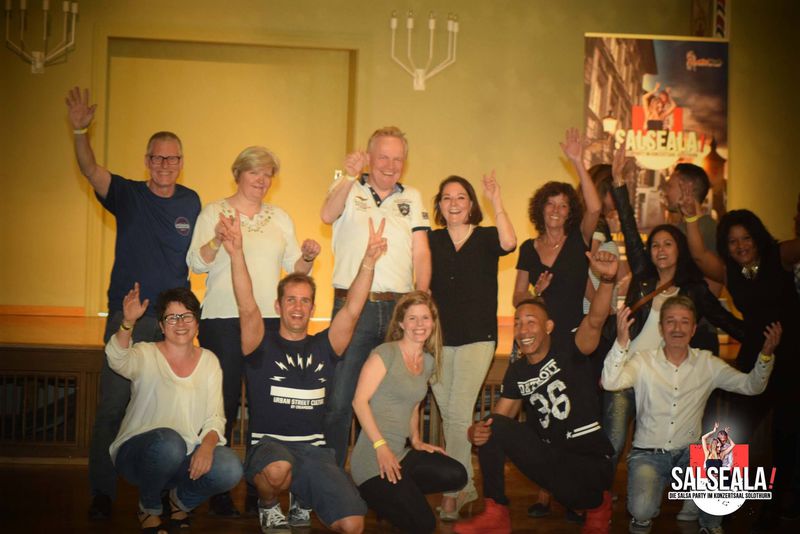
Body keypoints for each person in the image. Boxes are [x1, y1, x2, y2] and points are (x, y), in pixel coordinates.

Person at [66, 87, 202, 519]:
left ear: (181, 162)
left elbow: (204, 253)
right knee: (112, 406)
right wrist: (80, 130)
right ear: (147, 160)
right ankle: (102, 493)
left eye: (172, 158)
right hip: (128, 317)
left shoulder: (192, 202)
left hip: (173, 323)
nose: (165, 165)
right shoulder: (127, 194)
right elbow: (90, 169)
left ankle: (160, 493)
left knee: (169, 412)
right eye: (157, 158)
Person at [223, 212, 386, 533]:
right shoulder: (259, 342)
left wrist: (368, 261)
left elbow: (353, 309)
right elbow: (246, 304)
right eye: (291, 300)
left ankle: (303, 495)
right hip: (269, 447)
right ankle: (268, 505)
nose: (298, 307)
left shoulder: (326, 345)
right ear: (278, 306)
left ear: (312, 308)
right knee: (278, 469)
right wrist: (236, 253)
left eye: (305, 302)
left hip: (313, 450)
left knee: (353, 525)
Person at [603, 148, 745, 499]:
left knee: (684, 439)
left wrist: (765, 338)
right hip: (629, 371)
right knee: (614, 441)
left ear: (679, 249)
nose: (660, 250)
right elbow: (630, 231)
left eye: (668, 244)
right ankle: (599, 500)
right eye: (655, 245)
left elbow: (724, 319)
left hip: (663, 381)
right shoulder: (643, 275)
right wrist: (619, 183)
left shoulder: (692, 289)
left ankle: (694, 498)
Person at [186, 145, 320, 516]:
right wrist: (217, 239)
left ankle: (256, 484)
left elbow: (295, 269)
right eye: (254, 173)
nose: (261, 180)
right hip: (223, 320)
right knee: (224, 402)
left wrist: (308, 257)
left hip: (267, 322)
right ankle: (218, 488)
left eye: (267, 174)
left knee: (264, 405)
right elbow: (195, 263)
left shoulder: (280, 217)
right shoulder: (214, 212)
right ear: (238, 174)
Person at [455, 250, 621, 534]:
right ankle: (496, 514)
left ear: (549, 327)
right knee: (492, 427)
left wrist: (606, 280)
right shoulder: (518, 371)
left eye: (531, 322)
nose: (523, 329)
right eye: (518, 323)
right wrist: (476, 432)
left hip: (589, 461)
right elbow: (497, 421)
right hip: (554, 462)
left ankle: (598, 507)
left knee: (583, 490)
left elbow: (595, 319)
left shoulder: (570, 348)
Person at [602, 295, 779, 534]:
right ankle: (650, 516)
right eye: (670, 321)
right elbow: (610, 382)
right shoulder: (643, 361)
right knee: (641, 510)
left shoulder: (707, 363)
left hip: (689, 453)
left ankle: (710, 524)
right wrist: (622, 342)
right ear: (661, 328)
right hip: (649, 454)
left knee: (725, 455)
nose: (677, 328)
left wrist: (765, 356)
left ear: (694, 329)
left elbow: (751, 386)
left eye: (684, 322)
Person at [681, 199, 800, 528]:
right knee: (729, 427)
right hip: (755, 356)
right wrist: (691, 217)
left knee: (786, 435)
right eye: (732, 241)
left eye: (746, 238)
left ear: (758, 237)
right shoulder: (729, 270)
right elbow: (698, 255)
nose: (740, 245)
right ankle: (716, 501)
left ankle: (775, 507)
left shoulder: (779, 255)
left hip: (792, 358)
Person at [321, 126, 431, 467]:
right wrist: (348, 176)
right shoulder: (347, 186)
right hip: (353, 308)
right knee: (340, 398)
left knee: (389, 397)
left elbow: (421, 252)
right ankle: (331, 477)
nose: (390, 165)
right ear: (368, 158)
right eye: (383, 157)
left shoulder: (412, 196)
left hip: (399, 308)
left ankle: (379, 473)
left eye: (398, 159)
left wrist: (421, 298)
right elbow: (326, 214)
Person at [107, 284, 242, 533]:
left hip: (183, 454)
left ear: (197, 323)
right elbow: (117, 359)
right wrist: (128, 322)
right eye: (172, 317)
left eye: (187, 316)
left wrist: (207, 447)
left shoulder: (209, 361)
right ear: (161, 326)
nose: (180, 323)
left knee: (230, 467)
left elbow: (215, 417)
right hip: (139, 454)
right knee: (170, 442)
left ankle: (179, 501)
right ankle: (148, 508)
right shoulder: (146, 354)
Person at [428, 172, 516, 520]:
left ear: (471, 204)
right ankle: (466, 483)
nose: (454, 203)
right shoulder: (431, 240)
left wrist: (496, 200)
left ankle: (452, 493)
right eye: (447, 197)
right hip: (437, 339)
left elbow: (510, 242)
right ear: (439, 205)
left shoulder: (486, 237)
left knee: (459, 412)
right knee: (451, 414)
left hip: (478, 338)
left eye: (461, 197)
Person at [350, 291, 468, 534]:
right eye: (412, 318)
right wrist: (381, 447)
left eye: (425, 318)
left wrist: (416, 440)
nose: (419, 324)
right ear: (401, 323)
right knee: (425, 525)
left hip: (400, 455)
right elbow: (359, 402)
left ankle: (395, 497)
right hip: (372, 460)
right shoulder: (385, 353)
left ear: (433, 323)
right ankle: (374, 495)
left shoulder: (428, 362)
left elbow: (414, 404)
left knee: (457, 474)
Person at [513, 127, 602, 349]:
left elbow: (595, 208)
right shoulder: (528, 249)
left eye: (563, 206)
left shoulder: (578, 239)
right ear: (540, 208)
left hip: (573, 336)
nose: (556, 210)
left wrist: (578, 162)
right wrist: (535, 293)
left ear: (570, 212)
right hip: (537, 339)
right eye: (550, 204)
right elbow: (517, 297)